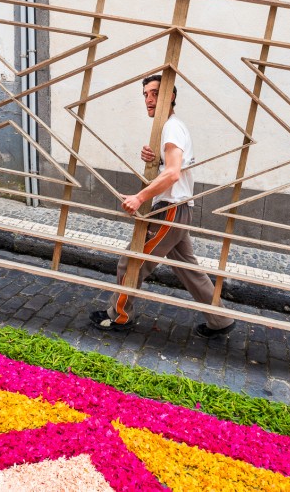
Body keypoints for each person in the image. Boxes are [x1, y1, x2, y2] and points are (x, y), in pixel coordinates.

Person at [89, 75, 236, 339]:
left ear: (171, 96)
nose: (148, 99)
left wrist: (139, 197)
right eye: (145, 94)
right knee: (188, 269)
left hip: (170, 210)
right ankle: (221, 319)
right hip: (179, 209)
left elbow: (172, 174)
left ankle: (118, 317)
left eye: (155, 93)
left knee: (130, 263)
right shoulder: (170, 128)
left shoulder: (172, 128)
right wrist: (153, 158)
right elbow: (169, 167)